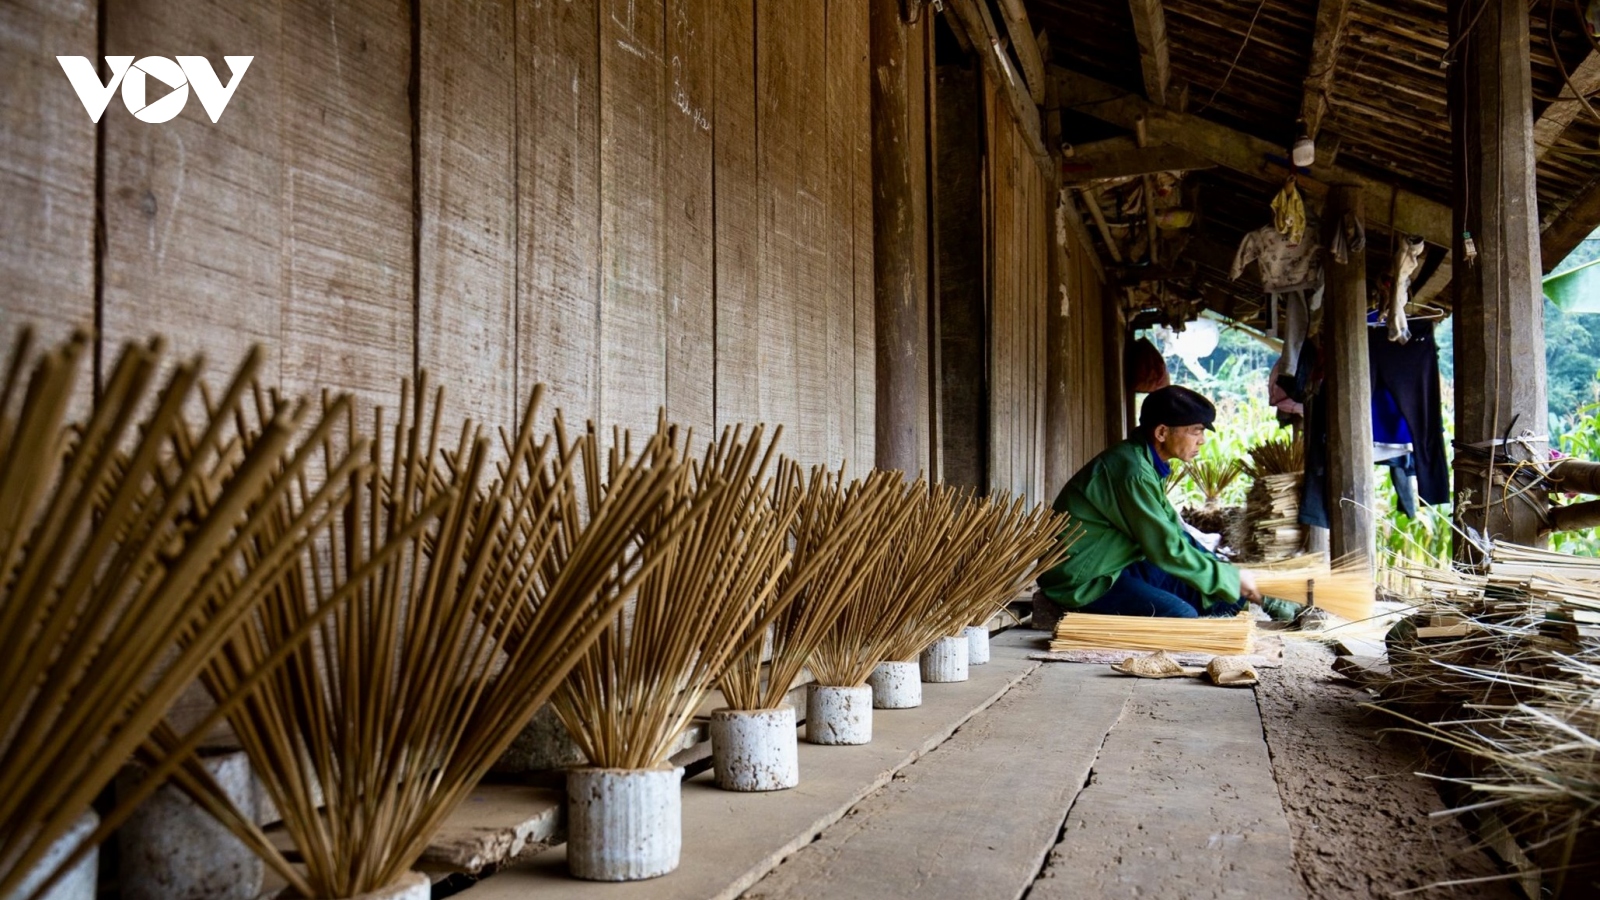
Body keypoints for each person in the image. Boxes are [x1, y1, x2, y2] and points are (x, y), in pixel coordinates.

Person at [1037, 385, 1296, 621]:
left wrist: (1238, 582)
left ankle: (1279, 603)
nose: (1202, 440)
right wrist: (1230, 578)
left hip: (1117, 563)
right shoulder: (1132, 471)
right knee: (1181, 615)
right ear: (1162, 432)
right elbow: (1165, 547)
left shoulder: (1146, 463)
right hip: (1084, 579)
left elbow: (1176, 534)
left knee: (1221, 600)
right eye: (1195, 431)